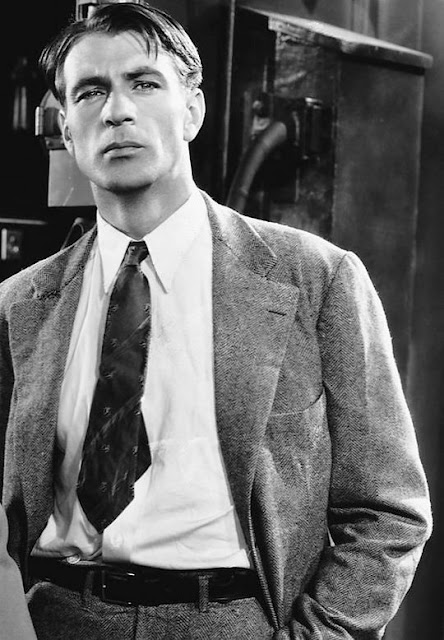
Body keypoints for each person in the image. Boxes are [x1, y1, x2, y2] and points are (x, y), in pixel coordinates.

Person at [0, 3, 432, 639]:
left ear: (193, 111)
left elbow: (389, 511)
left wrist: (323, 634)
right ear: (66, 126)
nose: (116, 110)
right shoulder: (19, 304)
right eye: (90, 91)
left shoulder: (317, 280)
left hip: (233, 619)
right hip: (57, 617)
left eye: (144, 83)